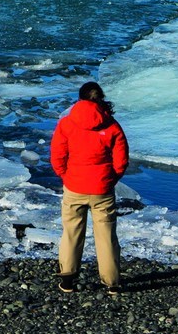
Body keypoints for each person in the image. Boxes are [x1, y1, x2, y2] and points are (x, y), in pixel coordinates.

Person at [50, 80, 128, 294]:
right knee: (106, 237)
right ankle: (112, 283)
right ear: (101, 98)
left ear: (80, 98)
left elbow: (58, 155)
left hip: (74, 186)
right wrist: (110, 179)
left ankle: (67, 281)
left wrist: (65, 176)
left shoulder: (66, 124)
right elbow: (121, 161)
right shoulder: (112, 125)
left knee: (71, 233)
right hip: (102, 189)